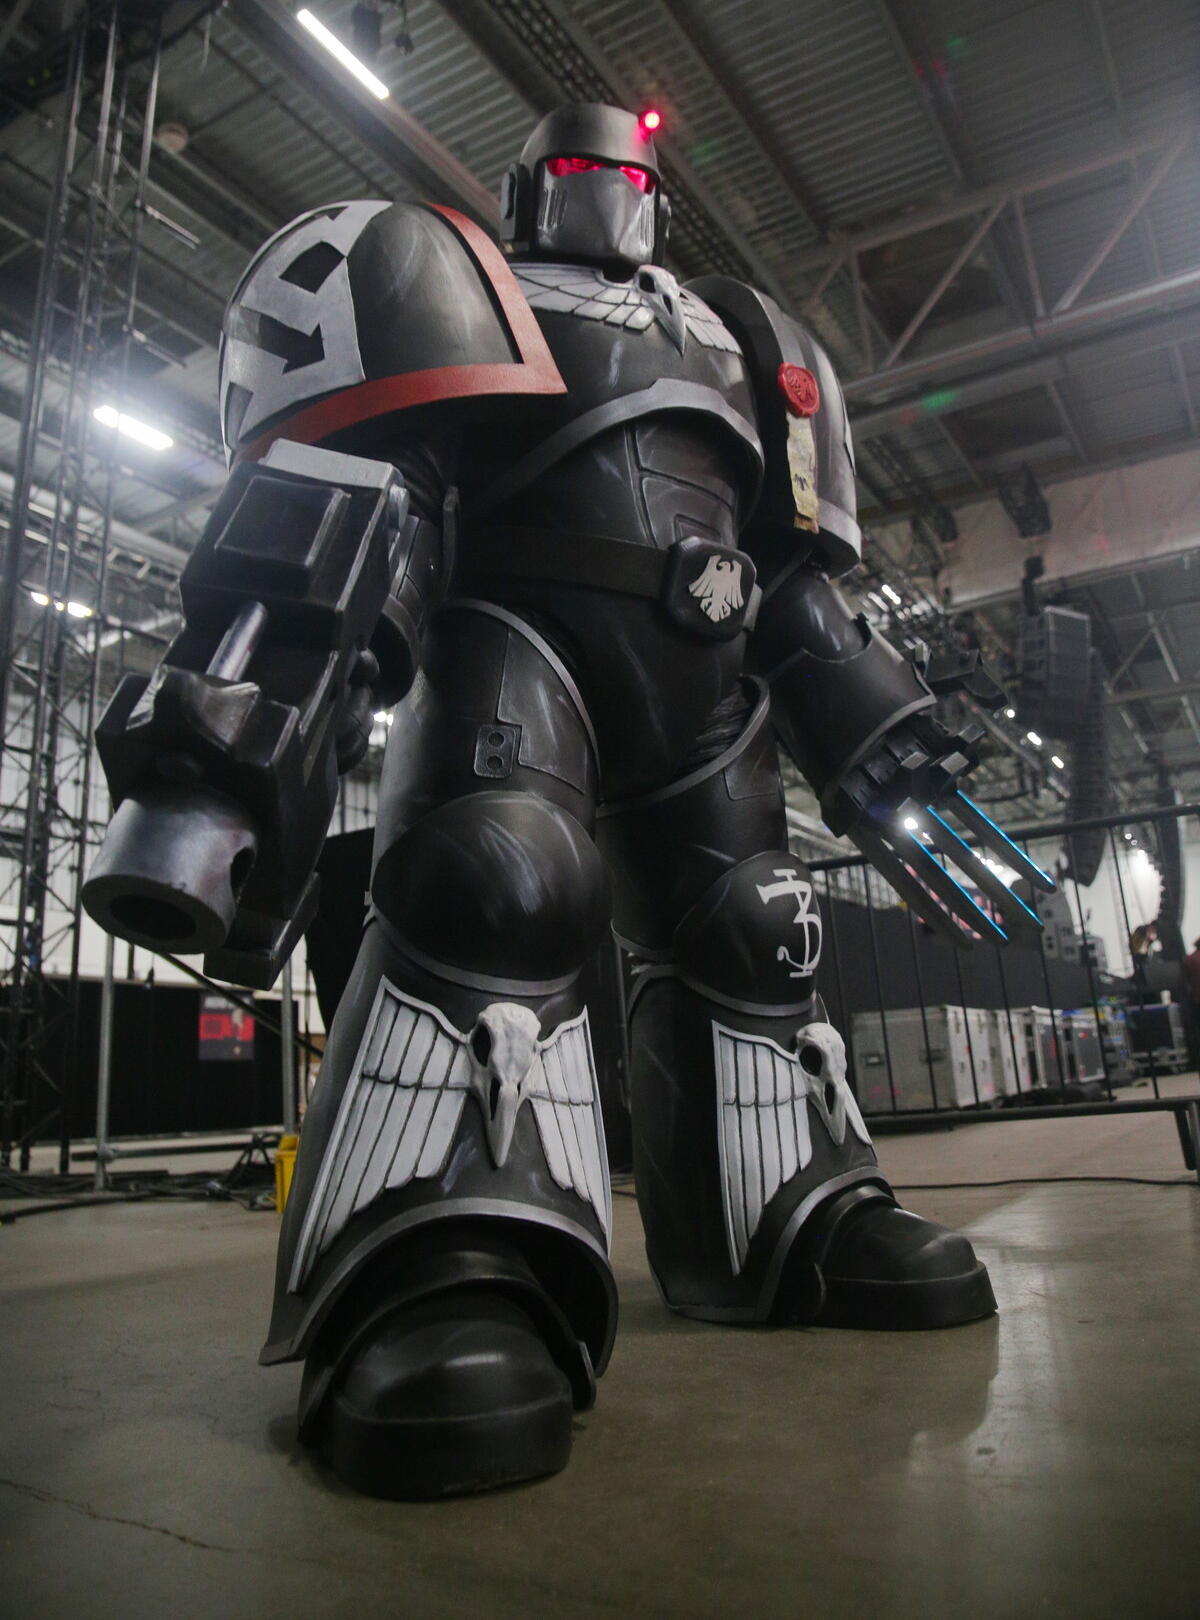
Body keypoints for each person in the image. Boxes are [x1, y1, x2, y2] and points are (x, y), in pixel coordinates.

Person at [85, 103, 1051, 1500]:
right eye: (588, 167)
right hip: (515, 643)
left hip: (710, 684)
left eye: (633, 170)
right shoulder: (448, 276)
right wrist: (246, 740)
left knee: (760, 924)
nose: (614, 184)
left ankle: (787, 1213)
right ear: (527, 183)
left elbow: (787, 577)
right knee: (498, 878)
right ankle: (437, 1255)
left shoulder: (745, 339)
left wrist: (874, 731)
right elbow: (363, 501)